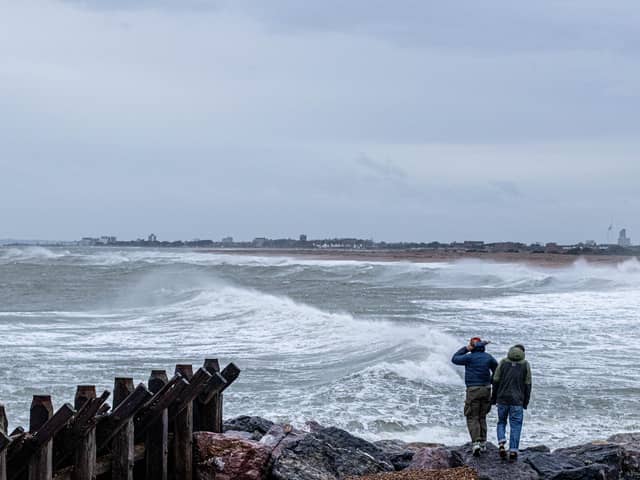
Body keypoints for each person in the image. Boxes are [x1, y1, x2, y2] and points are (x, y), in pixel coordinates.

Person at [451, 337, 498, 456]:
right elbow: (497, 370)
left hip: (473, 389)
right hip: (486, 389)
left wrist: (466, 349)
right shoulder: (488, 357)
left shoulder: (469, 357)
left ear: (472, 346)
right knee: (482, 416)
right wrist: (490, 381)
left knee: (472, 416)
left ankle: (476, 442)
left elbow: (454, 359)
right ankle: (483, 443)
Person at [491, 344, 532, 462]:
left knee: (501, 422)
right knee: (516, 425)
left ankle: (501, 443)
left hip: (502, 399)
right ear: (523, 353)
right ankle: (513, 450)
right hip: (517, 401)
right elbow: (528, 385)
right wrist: (525, 402)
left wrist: (494, 398)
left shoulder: (503, 362)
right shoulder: (525, 365)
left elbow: (495, 381)